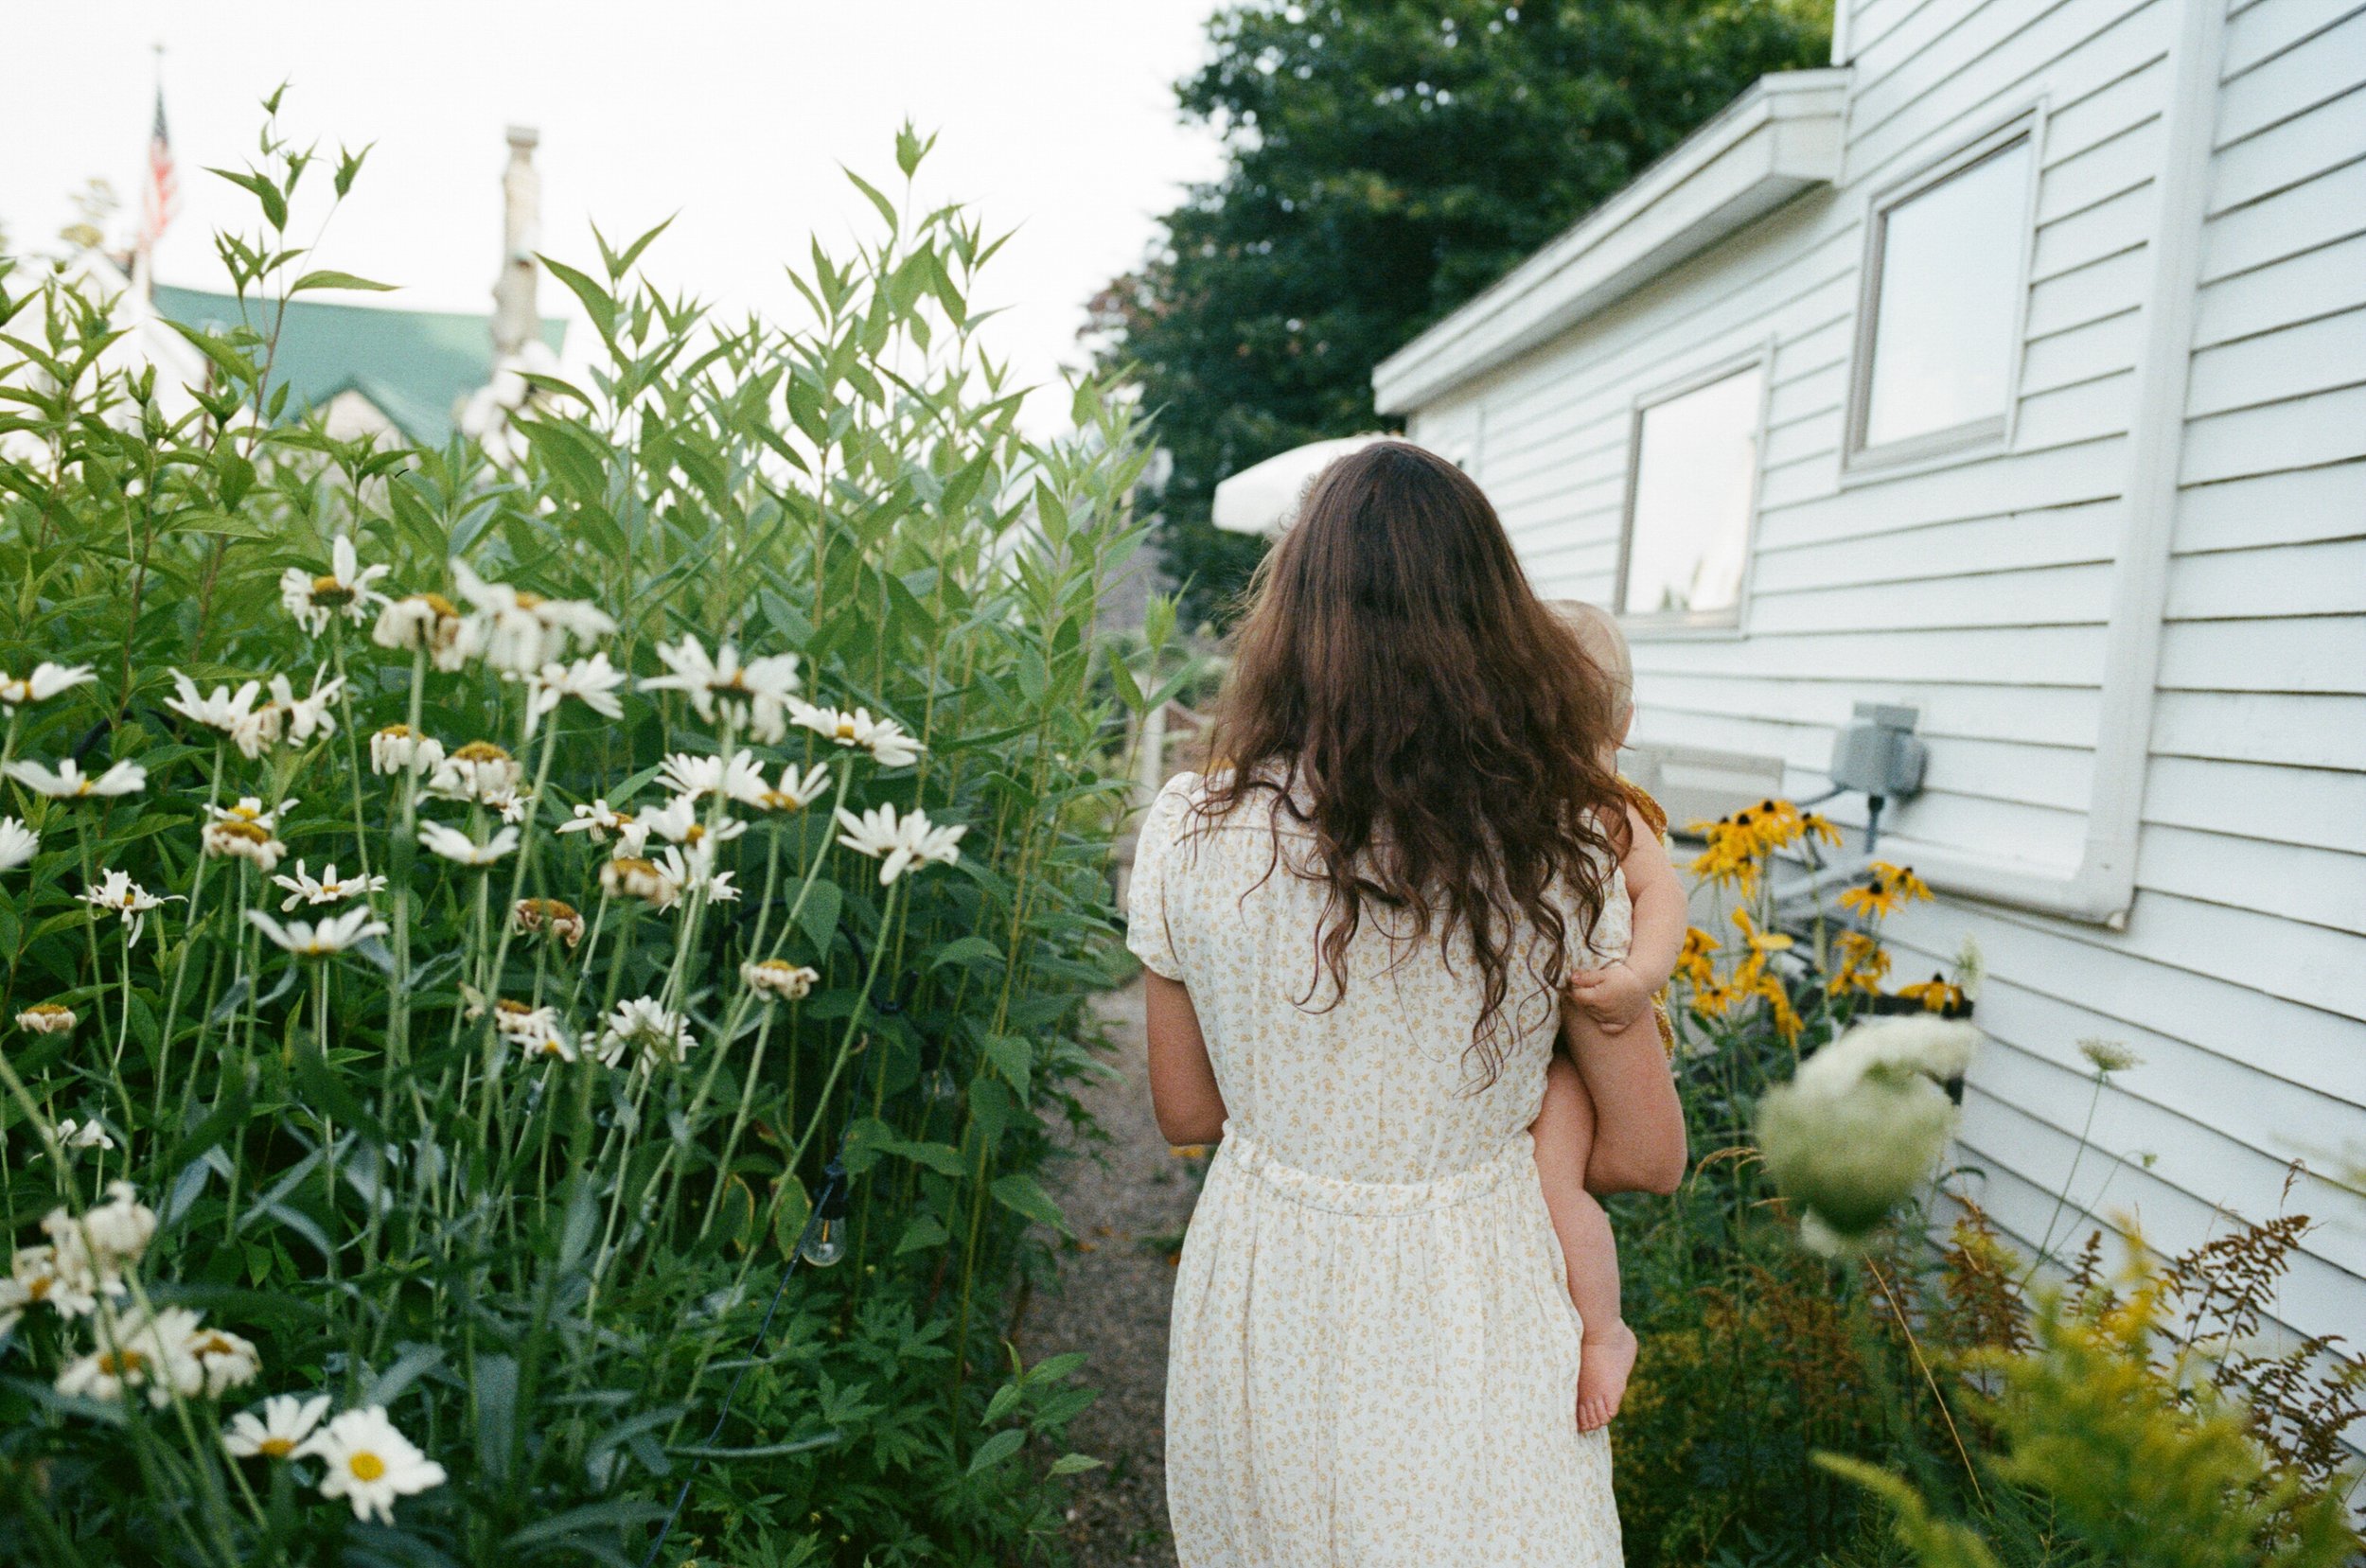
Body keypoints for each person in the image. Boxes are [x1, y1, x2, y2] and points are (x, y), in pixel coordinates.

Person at [1130, 441, 1686, 1566]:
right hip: (1472, 1290)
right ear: (1495, 623)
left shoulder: (1187, 829)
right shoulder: (1559, 845)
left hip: (1265, 1287)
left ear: (1291, 623)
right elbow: (1648, 1157)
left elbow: (1187, 1114)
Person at [1529, 600, 1688, 1435]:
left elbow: (1665, 896)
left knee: (1554, 1182)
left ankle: (1604, 1328)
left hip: (1594, 1035)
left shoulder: (1612, 811)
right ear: (1625, 717)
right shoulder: (1514, 802)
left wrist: (1638, 977)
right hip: (1548, 1036)